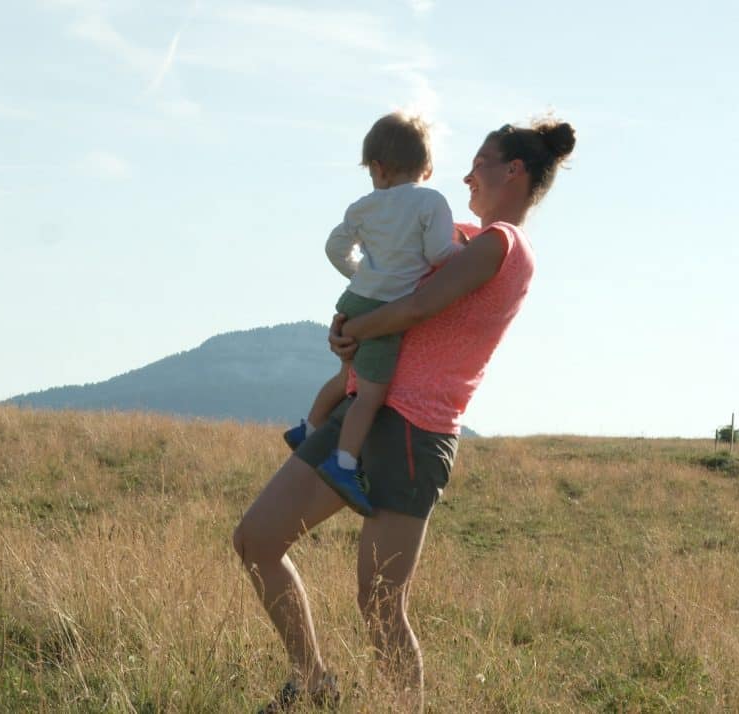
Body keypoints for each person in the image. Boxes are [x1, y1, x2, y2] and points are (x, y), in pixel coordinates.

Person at [234, 116, 576, 713]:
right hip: (361, 404)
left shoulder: (503, 244)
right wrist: (350, 329)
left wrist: (354, 328)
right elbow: (383, 267)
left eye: (480, 162)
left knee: (380, 602)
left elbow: (423, 304)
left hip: (416, 429)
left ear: (513, 171)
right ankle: (312, 681)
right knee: (256, 539)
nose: (467, 174)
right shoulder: (454, 231)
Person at [283, 112, 459, 516]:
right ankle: (344, 464)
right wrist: (463, 251)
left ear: (377, 168)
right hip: (386, 309)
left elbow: (333, 248)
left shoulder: (363, 207)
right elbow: (438, 254)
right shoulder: (430, 202)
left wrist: (359, 274)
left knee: (348, 376)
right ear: (427, 168)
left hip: (354, 299)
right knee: (371, 395)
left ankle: (309, 427)